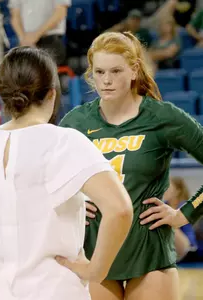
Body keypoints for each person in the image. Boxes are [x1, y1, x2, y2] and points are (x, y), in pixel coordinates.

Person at [0, 46, 133, 300]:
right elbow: (119, 209)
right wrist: (95, 271)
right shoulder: (64, 141)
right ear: (52, 93)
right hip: (53, 290)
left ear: (2, 94)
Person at [59, 31, 203, 300]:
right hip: (93, 258)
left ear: (134, 70)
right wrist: (74, 201)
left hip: (150, 258)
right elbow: (48, 183)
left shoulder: (163, 117)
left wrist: (185, 214)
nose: (107, 80)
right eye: (99, 72)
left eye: (115, 71)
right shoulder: (74, 123)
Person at [9, 0, 71, 66]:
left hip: (50, 41)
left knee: (42, 68)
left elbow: (60, 13)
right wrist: (24, 39)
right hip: (24, 42)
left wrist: (35, 36)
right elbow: (15, 16)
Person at [162, 177, 197, 261]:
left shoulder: (184, 206)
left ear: (177, 191)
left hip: (188, 247)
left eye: (168, 187)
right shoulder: (164, 205)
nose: (164, 189)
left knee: (166, 221)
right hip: (170, 247)